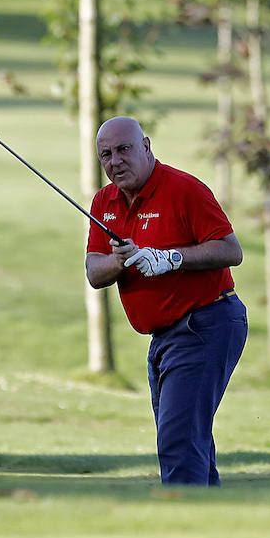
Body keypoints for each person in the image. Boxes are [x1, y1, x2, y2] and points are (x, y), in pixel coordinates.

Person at [85, 116, 246, 486]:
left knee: (178, 439)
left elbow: (230, 250)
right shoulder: (104, 201)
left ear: (146, 146)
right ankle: (209, 527)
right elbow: (95, 273)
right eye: (105, 155)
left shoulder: (184, 189)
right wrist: (121, 261)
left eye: (124, 149)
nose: (115, 161)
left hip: (206, 323)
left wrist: (171, 258)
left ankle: (180, 526)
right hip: (163, 338)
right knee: (189, 440)